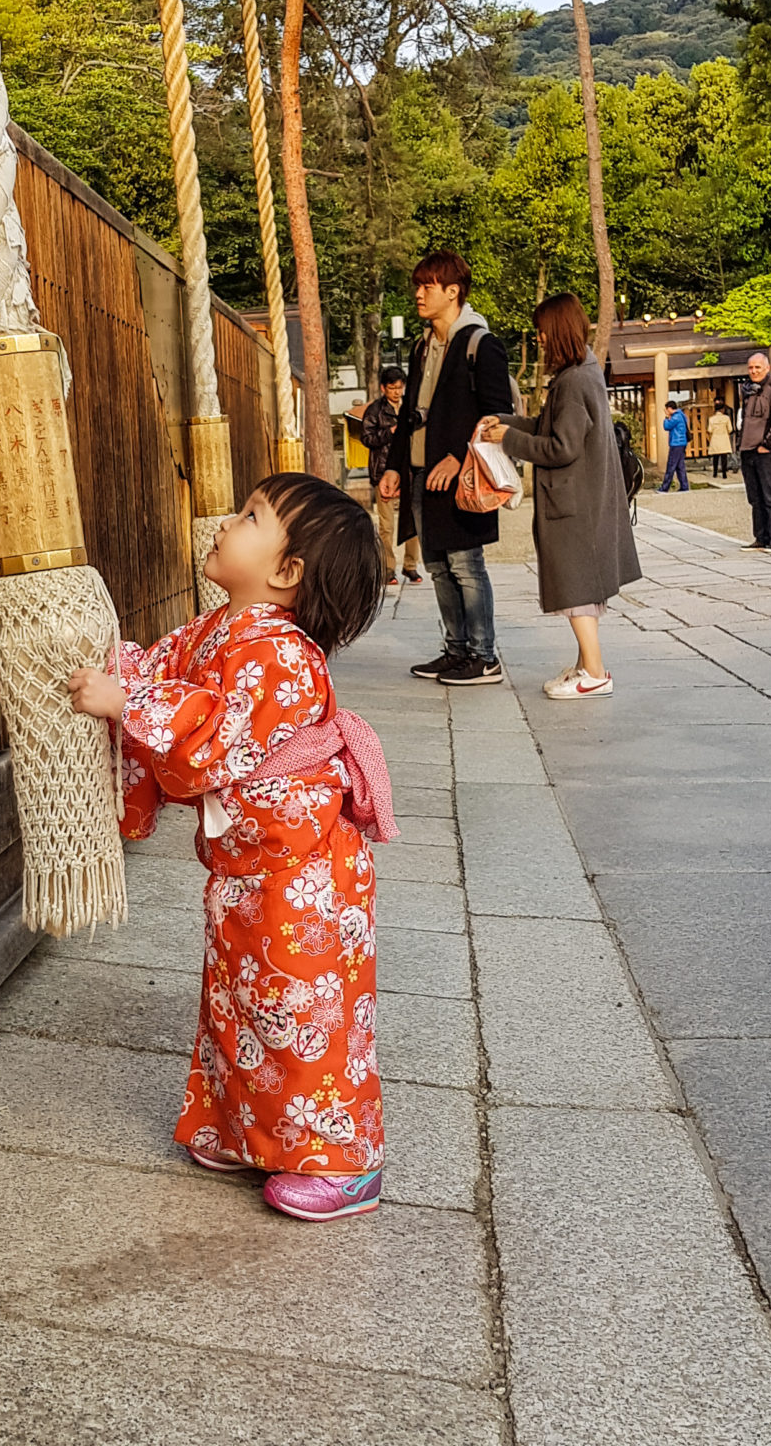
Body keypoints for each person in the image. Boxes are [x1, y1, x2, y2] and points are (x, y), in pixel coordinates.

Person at [67, 474, 390, 1222]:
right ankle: (242, 1133)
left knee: (302, 1013)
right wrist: (118, 671)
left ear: (286, 573)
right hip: (253, 862)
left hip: (306, 872)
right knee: (242, 1002)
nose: (225, 522)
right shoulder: (222, 628)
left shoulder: (281, 652)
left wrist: (128, 704)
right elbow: (163, 672)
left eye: (250, 518)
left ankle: (343, 1162)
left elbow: (215, 730)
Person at [478, 293, 641, 700]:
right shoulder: (586, 371)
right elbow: (550, 427)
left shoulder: (572, 381)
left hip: (574, 503)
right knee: (583, 586)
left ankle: (596, 673)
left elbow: (560, 447)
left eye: (543, 332)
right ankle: (588, 663)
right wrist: (508, 423)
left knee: (577, 589)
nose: (540, 340)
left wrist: (510, 438)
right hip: (585, 497)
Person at [378, 249, 511, 686]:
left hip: (461, 476)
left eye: (427, 286)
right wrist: (396, 465)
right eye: (417, 285)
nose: (418, 294)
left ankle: (484, 656)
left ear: (452, 292)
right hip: (422, 472)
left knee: (467, 565)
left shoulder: (480, 345)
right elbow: (412, 414)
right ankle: (456, 650)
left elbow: (497, 414)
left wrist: (458, 454)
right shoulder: (422, 346)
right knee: (436, 565)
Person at [350, 366, 423, 588]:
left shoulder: (410, 408)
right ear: (384, 388)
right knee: (386, 525)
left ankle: (411, 565)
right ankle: (387, 567)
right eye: (392, 388)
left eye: (400, 388)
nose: (397, 393)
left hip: (409, 471)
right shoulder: (375, 410)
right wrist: (389, 433)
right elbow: (367, 438)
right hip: (383, 473)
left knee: (412, 522)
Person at [738, 351, 771, 549]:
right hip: (747, 449)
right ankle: (761, 536)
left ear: (767, 368)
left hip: (766, 451)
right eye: (751, 368)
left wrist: (768, 444)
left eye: (758, 367)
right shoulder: (748, 391)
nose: (754, 371)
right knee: (755, 498)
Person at [658, 400, 690, 491]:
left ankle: (665, 488)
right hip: (682, 443)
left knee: (671, 466)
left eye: (666, 409)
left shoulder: (675, 417)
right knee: (680, 466)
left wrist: (667, 417)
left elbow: (666, 426)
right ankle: (684, 486)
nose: (666, 411)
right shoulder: (681, 415)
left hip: (676, 443)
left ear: (669, 408)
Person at [707, 401, 734, 480]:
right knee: (724, 457)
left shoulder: (711, 419)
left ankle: (715, 473)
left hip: (715, 438)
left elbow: (709, 430)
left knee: (715, 457)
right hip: (724, 438)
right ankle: (724, 474)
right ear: (722, 409)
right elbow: (730, 429)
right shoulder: (726, 418)